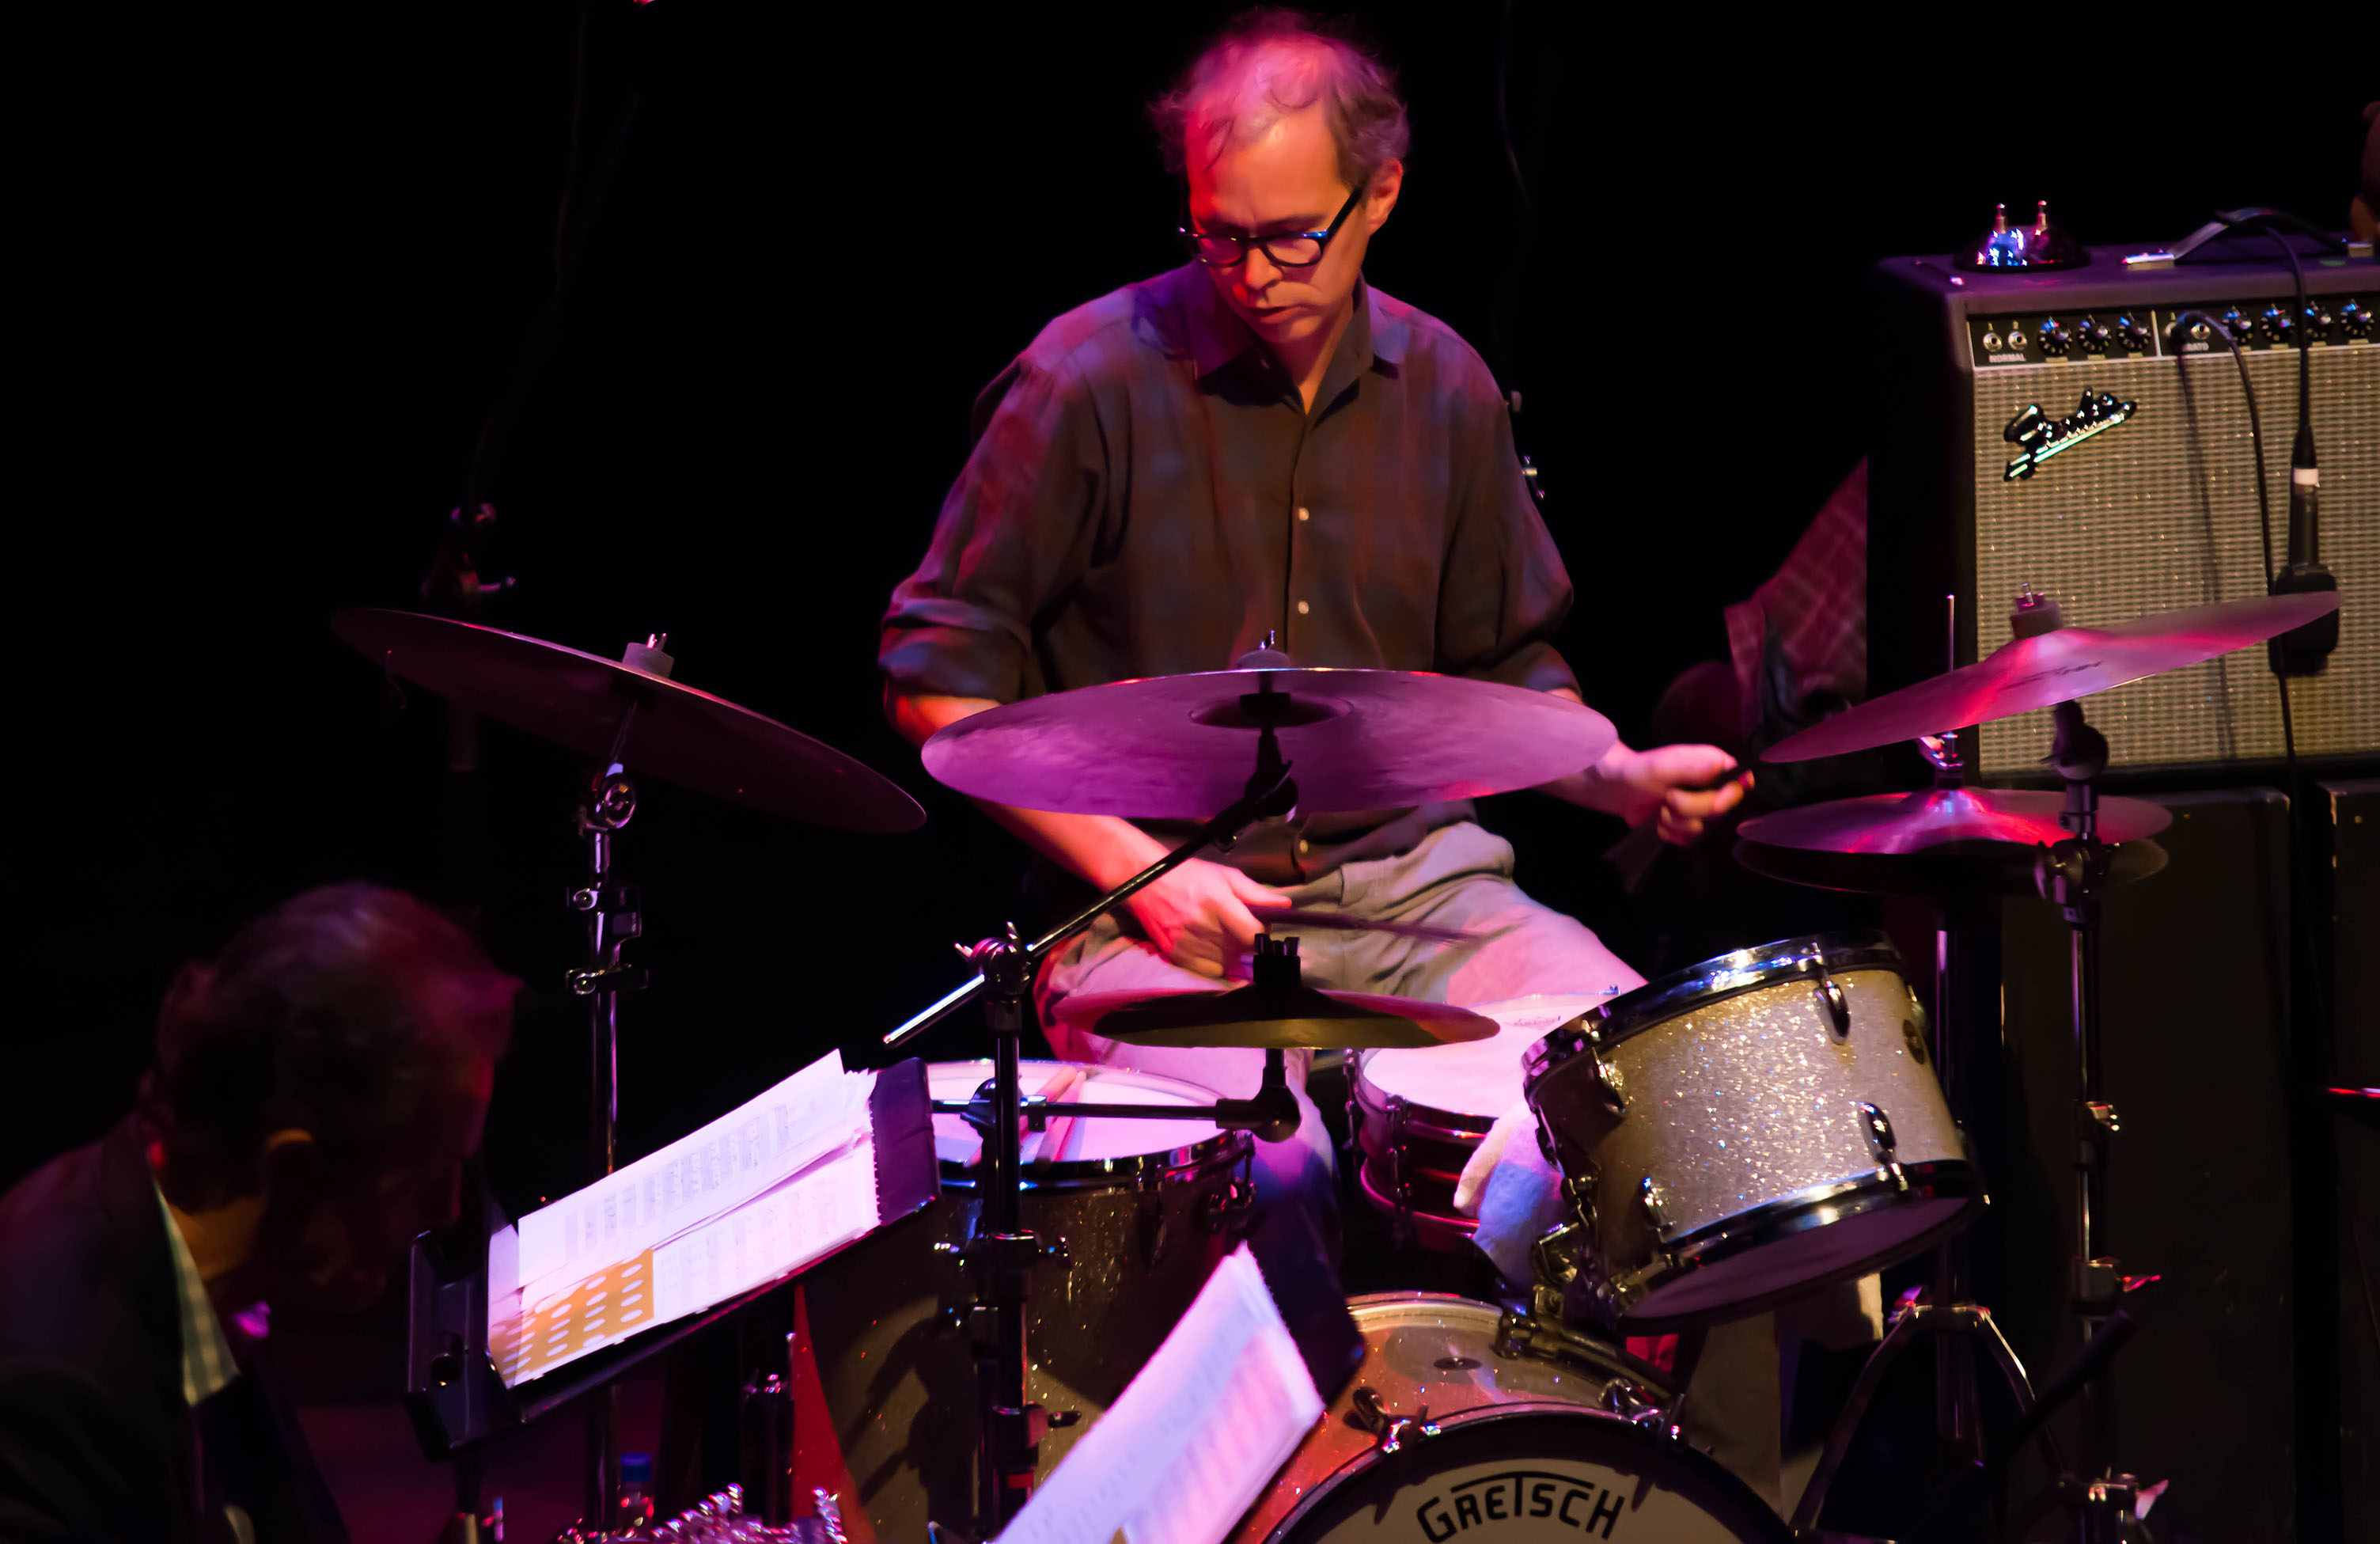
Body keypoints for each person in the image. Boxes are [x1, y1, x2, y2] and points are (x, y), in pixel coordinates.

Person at [878, 9, 1745, 1229]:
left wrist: (1620, 773)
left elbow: (1505, 668)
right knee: (1265, 1173)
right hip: (1169, 916)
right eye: (1219, 237)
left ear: (1380, 192)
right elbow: (933, 681)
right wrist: (1138, 874)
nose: (1254, 276)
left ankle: (1582, 1425)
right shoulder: (1083, 381)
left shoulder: (1446, 387)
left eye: (1291, 237)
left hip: (1422, 893)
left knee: (1673, 1101)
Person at [0, 882, 517, 1544]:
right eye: (422, 1176)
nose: (446, 1213)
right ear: (292, 1170)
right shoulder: (52, 1389)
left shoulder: (212, 1275)